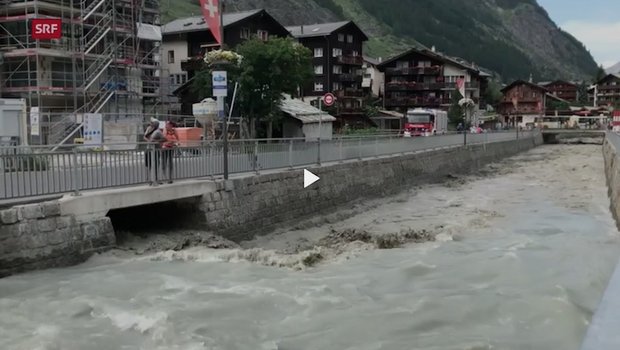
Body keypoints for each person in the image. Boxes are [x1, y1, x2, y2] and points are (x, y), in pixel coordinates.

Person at [144, 119, 166, 185]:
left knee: (156, 165)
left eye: (152, 123)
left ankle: (156, 179)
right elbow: (144, 137)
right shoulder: (149, 129)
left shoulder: (158, 131)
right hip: (149, 149)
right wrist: (149, 141)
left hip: (155, 150)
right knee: (148, 165)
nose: (151, 124)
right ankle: (149, 179)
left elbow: (164, 139)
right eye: (151, 123)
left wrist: (156, 141)